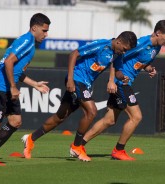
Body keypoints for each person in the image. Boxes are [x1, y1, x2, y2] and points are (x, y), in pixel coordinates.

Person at [21, 31, 137, 162]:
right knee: (91, 111)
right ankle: (76, 146)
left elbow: (118, 71)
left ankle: (30, 139)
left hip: (85, 84)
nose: (124, 52)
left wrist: (123, 77)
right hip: (76, 79)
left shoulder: (117, 54)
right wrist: (70, 79)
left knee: (60, 117)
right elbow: (74, 54)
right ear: (119, 42)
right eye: (124, 49)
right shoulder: (101, 45)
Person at [81, 20, 165, 161]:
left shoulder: (157, 47)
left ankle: (78, 145)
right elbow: (116, 56)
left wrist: (149, 68)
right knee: (136, 117)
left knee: (109, 120)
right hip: (121, 83)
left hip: (125, 82)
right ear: (158, 33)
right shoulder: (142, 43)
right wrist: (111, 80)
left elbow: (141, 63)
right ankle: (118, 150)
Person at [0, 13, 51, 165]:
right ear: (34, 28)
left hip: (7, 88)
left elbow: (17, 71)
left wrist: (34, 84)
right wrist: (13, 87)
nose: (46, 34)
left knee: (15, 121)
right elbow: (9, 62)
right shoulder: (27, 41)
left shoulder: (29, 42)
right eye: (44, 30)